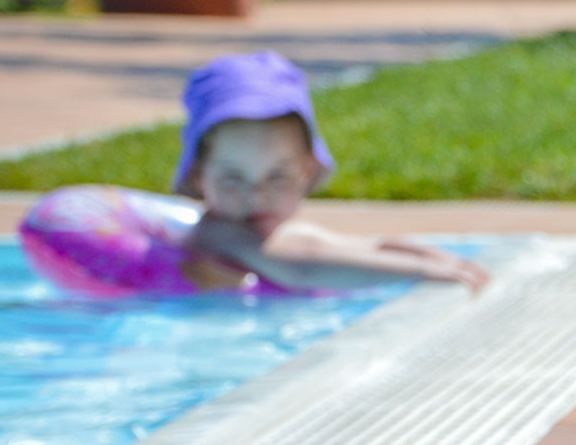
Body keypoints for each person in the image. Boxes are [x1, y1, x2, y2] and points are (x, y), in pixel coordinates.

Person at [173, 51, 488, 292]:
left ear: (307, 173)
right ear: (200, 176)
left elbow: (357, 247)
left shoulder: (283, 231)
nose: (256, 195)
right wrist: (420, 272)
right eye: (232, 179)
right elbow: (302, 269)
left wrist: (423, 254)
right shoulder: (219, 236)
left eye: (277, 177)